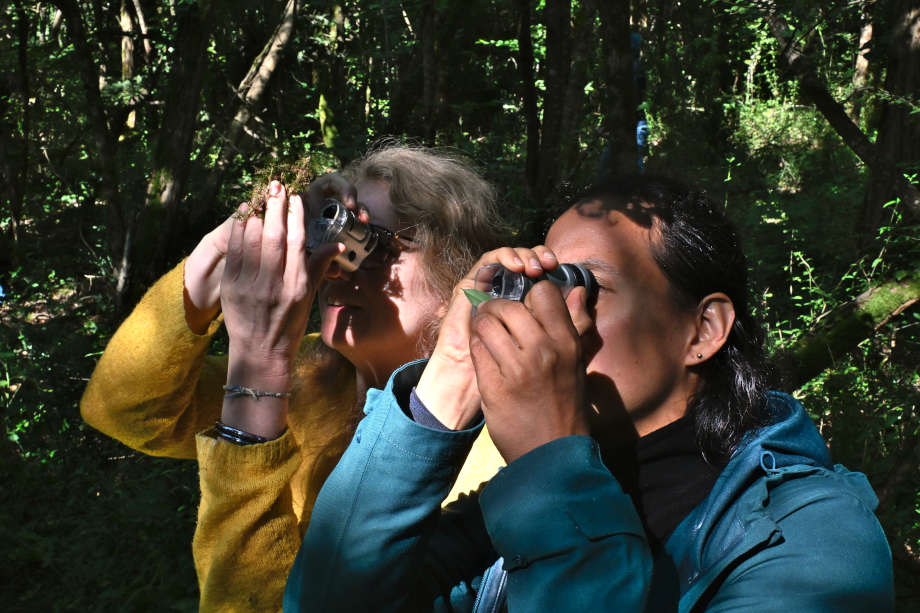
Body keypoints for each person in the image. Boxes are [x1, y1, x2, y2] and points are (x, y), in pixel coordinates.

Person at [286, 175, 895, 611]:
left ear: (702, 332)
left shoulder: (814, 539)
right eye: (546, 282)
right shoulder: (501, 516)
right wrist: (448, 373)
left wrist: (551, 463)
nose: (557, 310)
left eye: (589, 287)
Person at [80, 144, 510, 612]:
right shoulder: (312, 375)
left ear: (459, 278)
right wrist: (216, 258)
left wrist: (259, 361)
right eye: (333, 237)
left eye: (375, 246)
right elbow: (125, 408)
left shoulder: (489, 448)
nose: (336, 266)